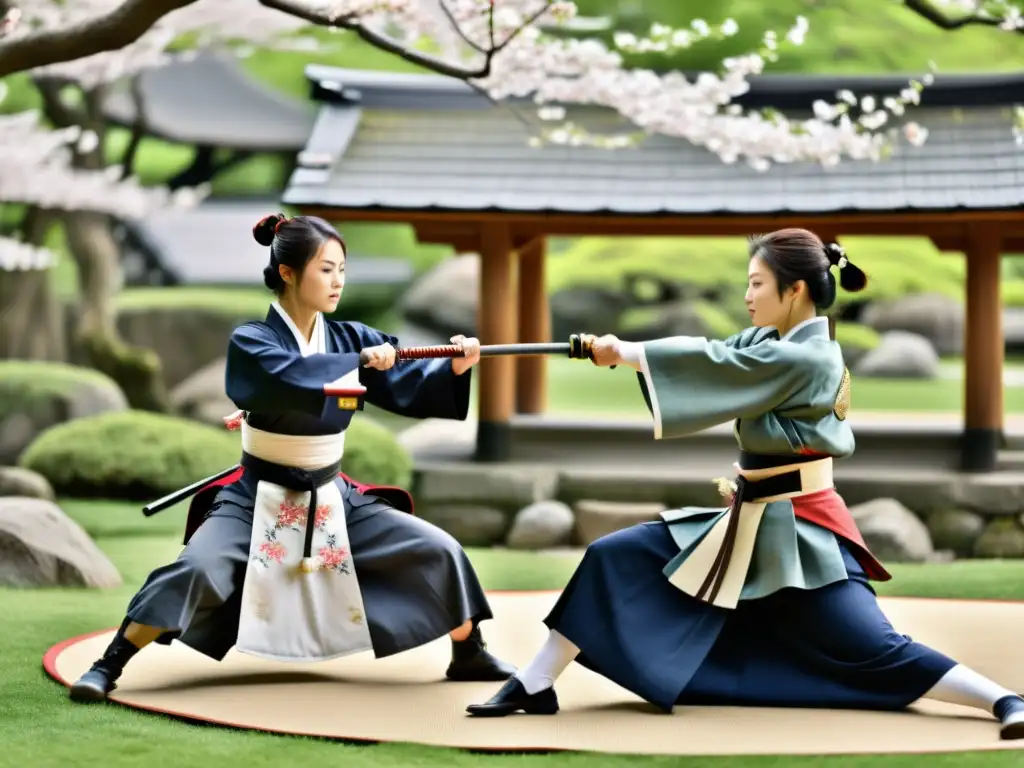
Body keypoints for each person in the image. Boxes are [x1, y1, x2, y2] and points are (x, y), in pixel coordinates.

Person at [466, 228, 1024, 740]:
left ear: (796, 289)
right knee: (617, 555)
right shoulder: (773, 342)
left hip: (802, 528)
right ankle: (536, 682)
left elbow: (716, 364)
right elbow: (727, 355)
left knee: (871, 645)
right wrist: (619, 354)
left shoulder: (811, 357)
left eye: (757, 283)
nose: (748, 295)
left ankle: (1003, 699)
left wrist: (631, 353)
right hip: (753, 517)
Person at [69, 213, 515, 702]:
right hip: (256, 493)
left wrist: (453, 367)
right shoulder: (253, 341)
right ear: (287, 272)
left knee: (437, 549)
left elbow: (408, 382)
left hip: (332, 493)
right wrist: (358, 363)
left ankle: (468, 650)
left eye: (342, 269)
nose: (337, 281)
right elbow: (284, 377)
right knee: (199, 568)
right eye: (326, 269)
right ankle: (109, 663)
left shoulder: (351, 338)